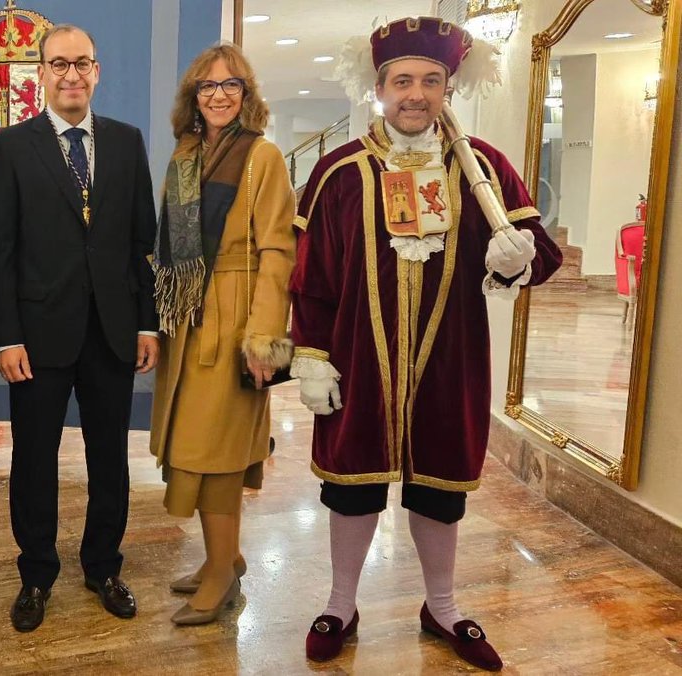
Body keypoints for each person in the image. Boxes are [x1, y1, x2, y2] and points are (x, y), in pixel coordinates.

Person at [290, 17, 563, 671]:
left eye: (431, 81)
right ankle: (340, 602)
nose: (416, 93)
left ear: (449, 86)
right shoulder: (338, 172)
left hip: (450, 360)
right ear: (380, 88)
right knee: (351, 486)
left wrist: (510, 260)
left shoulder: (487, 169)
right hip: (360, 362)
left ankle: (442, 606)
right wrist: (311, 355)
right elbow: (312, 278)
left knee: (440, 489)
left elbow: (538, 257)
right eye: (403, 80)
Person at [0, 24, 158, 632]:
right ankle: (35, 574)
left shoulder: (126, 141)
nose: (71, 75)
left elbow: (143, 243)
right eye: (59, 64)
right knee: (35, 461)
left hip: (112, 331)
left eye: (82, 63)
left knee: (110, 458)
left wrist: (147, 324)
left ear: (97, 70)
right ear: (41, 72)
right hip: (36, 338)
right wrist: (4, 337)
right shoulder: (10, 147)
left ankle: (104, 566)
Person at [148, 43, 295, 626]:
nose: (218, 95)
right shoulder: (184, 156)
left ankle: (220, 573)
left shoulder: (263, 157)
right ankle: (224, 557)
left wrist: (263, 338)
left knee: (218, 455)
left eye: (230, 85)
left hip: (234, 317)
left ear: (246, 95)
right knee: (192, 445)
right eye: (207, 87)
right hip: (187, 319)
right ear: (193, 96)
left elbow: (278, 250)